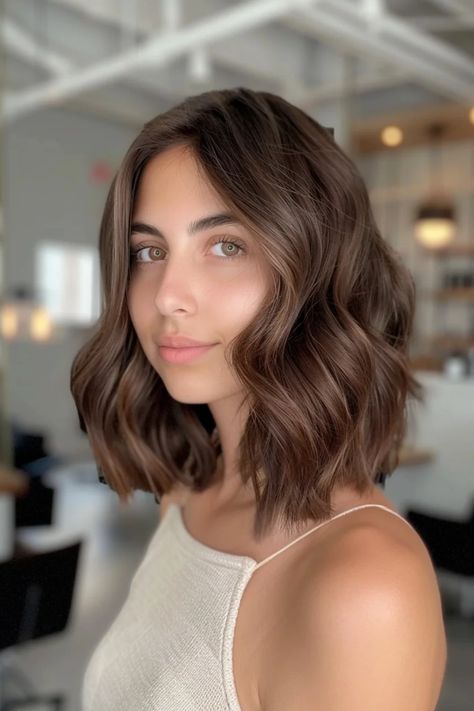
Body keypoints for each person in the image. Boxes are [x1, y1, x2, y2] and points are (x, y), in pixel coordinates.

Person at [71, 88, 447, 710]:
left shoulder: (366, 586)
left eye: (225, 245)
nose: (168, 294)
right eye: (148, 251)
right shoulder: (188, 493)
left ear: (318, 268)